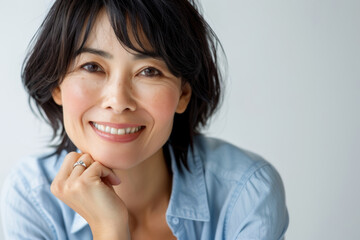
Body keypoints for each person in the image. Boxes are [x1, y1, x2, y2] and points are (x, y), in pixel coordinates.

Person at [1, 0, 289, 239]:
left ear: (183, 94)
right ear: (57, 85)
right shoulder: (31, 198)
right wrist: (110, 229)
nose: (118, 100)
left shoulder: (245, 194)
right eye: (92, 66)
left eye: (149, 71)